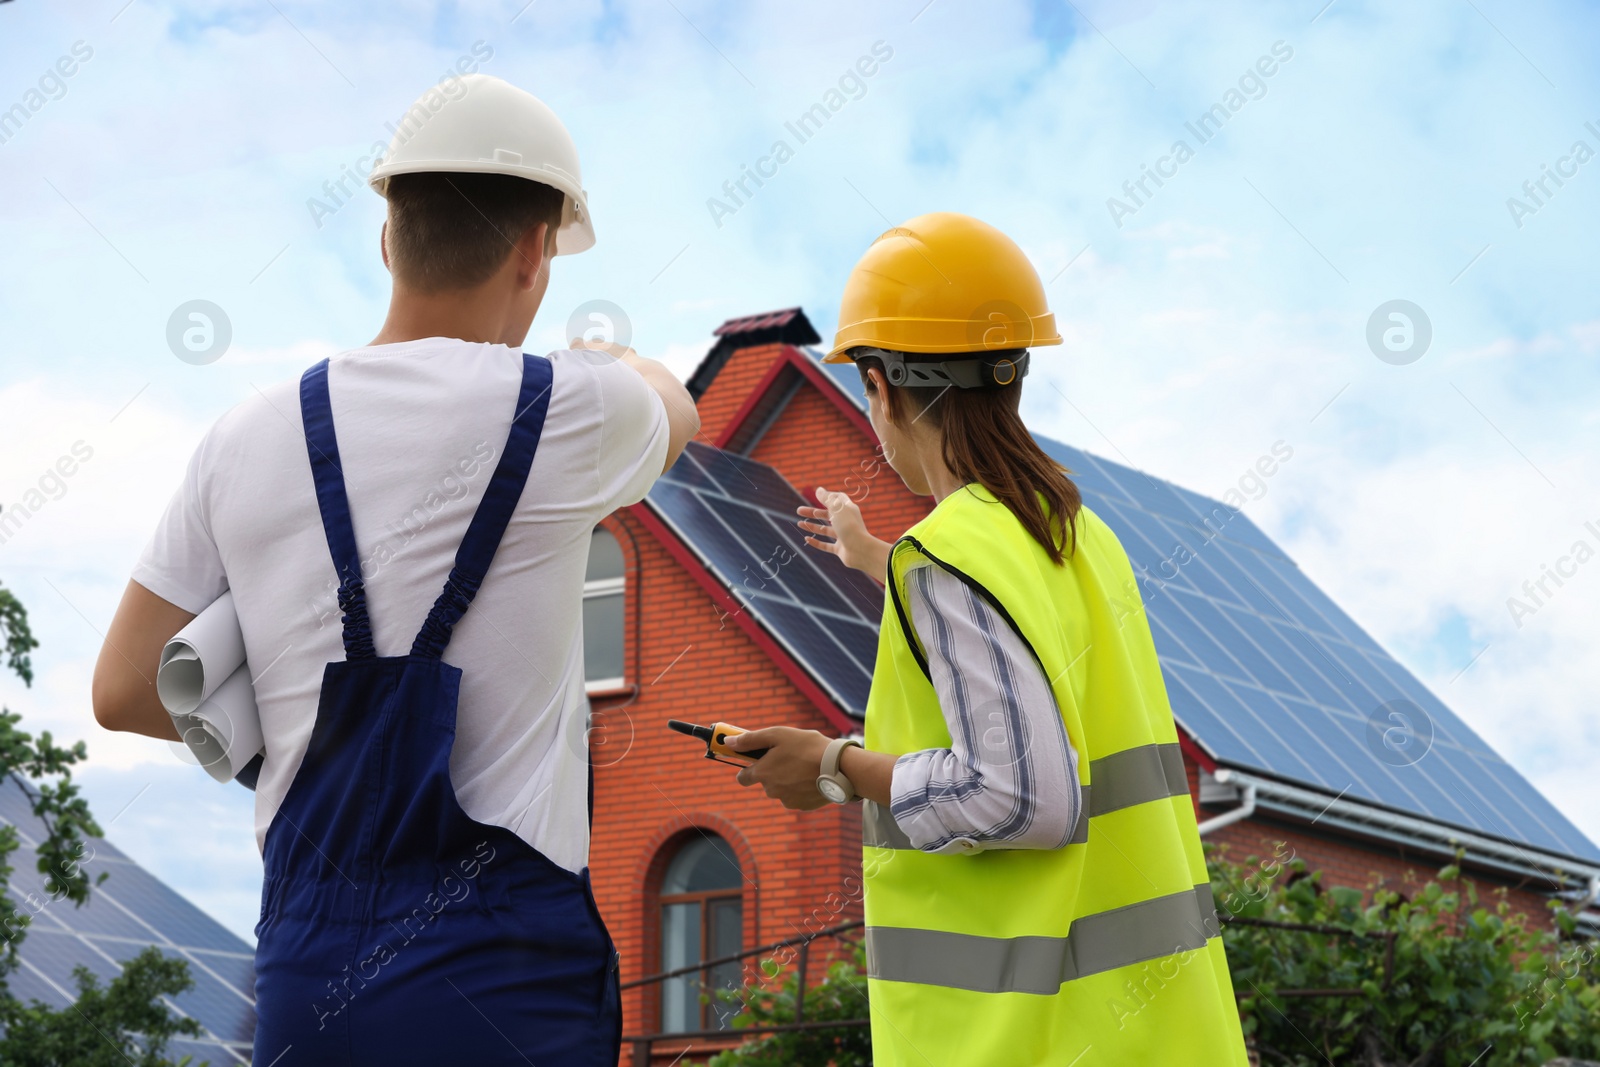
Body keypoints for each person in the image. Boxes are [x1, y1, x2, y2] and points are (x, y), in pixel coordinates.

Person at [90, 75, 697, 1065]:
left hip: (309, 978)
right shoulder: (571, 411)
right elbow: (676, 405)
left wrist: (287, 726)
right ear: (537, 248)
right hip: (507, 980)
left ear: (387, 237)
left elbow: (122, 690)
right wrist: (601, 350)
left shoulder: (241, 435)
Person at [728, 213, 1248, 1064]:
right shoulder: (1077, 534)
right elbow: (1021, 634)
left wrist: (833, 766)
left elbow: (1019, 798)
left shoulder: (953, 557)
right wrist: (879, 558)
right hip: (1154, 1033)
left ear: (881, 387)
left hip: (1025, 1041)